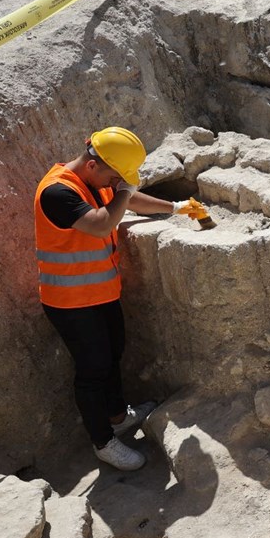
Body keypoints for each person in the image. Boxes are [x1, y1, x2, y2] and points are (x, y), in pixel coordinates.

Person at [35, 127, 206, 471]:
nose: (116, 183)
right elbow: (101, 224)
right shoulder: (56, 192)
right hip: (70, 303)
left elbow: (125, 198)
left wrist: (175, 207)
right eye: (114, 176)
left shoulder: (92, 182)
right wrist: (124, 192)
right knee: (92, 370)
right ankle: (103, 442)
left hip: (99, 293)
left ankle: (117, 416)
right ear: (94, 164)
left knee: (112, 355)